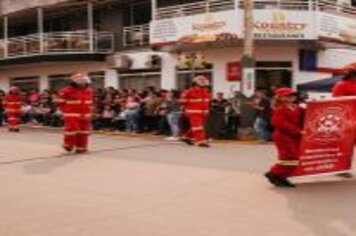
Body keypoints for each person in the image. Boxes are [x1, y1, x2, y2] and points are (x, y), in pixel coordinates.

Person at [264, 88, 304, 188]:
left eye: (293, 95)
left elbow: (309, 112)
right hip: (283, 136)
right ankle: (274, 174)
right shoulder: (280, 109)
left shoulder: (296, 107)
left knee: (293, 158)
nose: (291, 97)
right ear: (280, 97)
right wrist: (298, 130)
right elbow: (279, 123)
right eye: (288, 95)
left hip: (294, 136)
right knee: (290, 158)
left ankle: (279, 176)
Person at [56, 73, 93, 154]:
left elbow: (90, 103)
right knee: (71, 130)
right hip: (71, 114)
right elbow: (60, 103)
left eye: (85, 81)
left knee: (84, 131)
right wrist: (63, 112)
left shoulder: (89, 90)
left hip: (85, 114)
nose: (83, 83)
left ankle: (81, 147)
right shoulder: (65, 91)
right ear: (75, 82)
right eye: (82, 81)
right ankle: (68, 145)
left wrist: (91, 112)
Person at [332, 63, 356, 178]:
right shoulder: (341, 85)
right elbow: (336, 103)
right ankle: (340, 168)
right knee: (346, 145)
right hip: (347, 119)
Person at [180, 75, 211, 147]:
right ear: (195, 82)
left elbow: (207, 103)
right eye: (201, 81)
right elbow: (182, 101)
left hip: (203, 113)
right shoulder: (189, 91)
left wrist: (207, 111)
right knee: (198, 127)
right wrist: (185, 108)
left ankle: (186, 137)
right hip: (193, 112)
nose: (203, 83)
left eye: (204, 81)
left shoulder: (206, 92)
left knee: (197, 127)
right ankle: (200, 141)